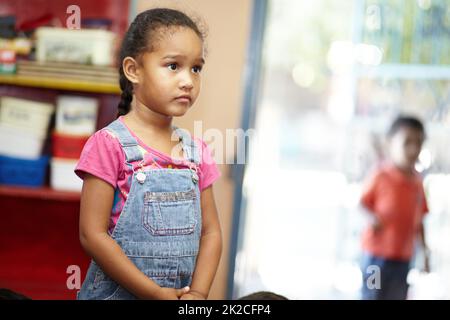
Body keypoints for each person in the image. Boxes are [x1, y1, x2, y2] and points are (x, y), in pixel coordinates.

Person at [75, 8, 222, 300]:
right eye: (173, 66)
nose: (188, 81)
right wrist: (153, 293)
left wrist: (199, 294)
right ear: (133, 70)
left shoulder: (197, 151)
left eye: (196, 68)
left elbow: (211, 233)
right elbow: (92, 235)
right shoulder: (109, 144)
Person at [359, 116, 430, 300]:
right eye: (407, 142)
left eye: (418, 143)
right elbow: (361, 204)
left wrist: (424, 252)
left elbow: (419, 220)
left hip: (404, 259)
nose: (413, 149)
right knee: (372, 295)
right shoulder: (380, 175)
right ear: (391, 143)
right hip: (376, 258)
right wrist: (372, 218)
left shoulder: (418, 184)